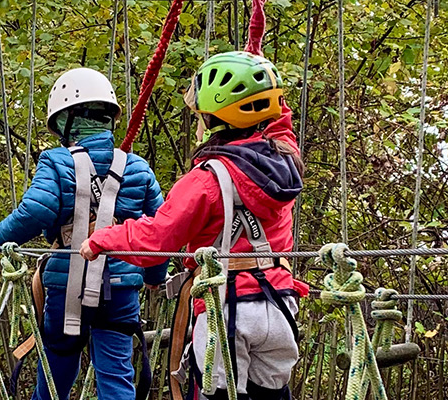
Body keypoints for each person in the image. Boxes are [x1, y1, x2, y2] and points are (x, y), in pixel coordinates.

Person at [79, 51, 309, 400]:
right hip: (280, 306)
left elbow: (158, 237)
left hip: (226, 311)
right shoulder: (285, 159)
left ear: (214, 117)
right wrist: (258, 64)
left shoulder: (204, 181)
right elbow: (280, 121)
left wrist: (103, 239)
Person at [0, 67, 167, 400]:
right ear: (109, 118)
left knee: (57, 366)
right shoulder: (137, 167)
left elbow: (37, 211)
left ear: (66, 121)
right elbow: (160, 231)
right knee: (117, 374)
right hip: (121, 288)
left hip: (67, 288)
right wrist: (153, 275)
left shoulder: (57, 161)